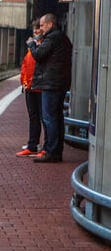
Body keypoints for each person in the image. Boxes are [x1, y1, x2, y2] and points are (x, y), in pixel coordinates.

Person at [28, 13, 73, 163]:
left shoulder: (52, 38)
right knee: (56, 117)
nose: (40, 29)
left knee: (49, 118)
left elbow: (39, 55)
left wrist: (32, 44)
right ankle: (53, 149)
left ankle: (52, 151)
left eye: (42, 25)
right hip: (59, 83)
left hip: (51, 83)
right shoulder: (62, 38)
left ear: (50, 24)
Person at [16, 19, 44, 157]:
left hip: (39, 87)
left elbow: (38, 63)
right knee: (33, 117)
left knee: (44, 118)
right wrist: (24, 81)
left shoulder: (42, 46)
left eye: (38, 29)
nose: (36, 32)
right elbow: (26, 65)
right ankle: (32, 144)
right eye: (34, 30)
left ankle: (43, 146)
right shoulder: (32, 47)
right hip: (30, 87)